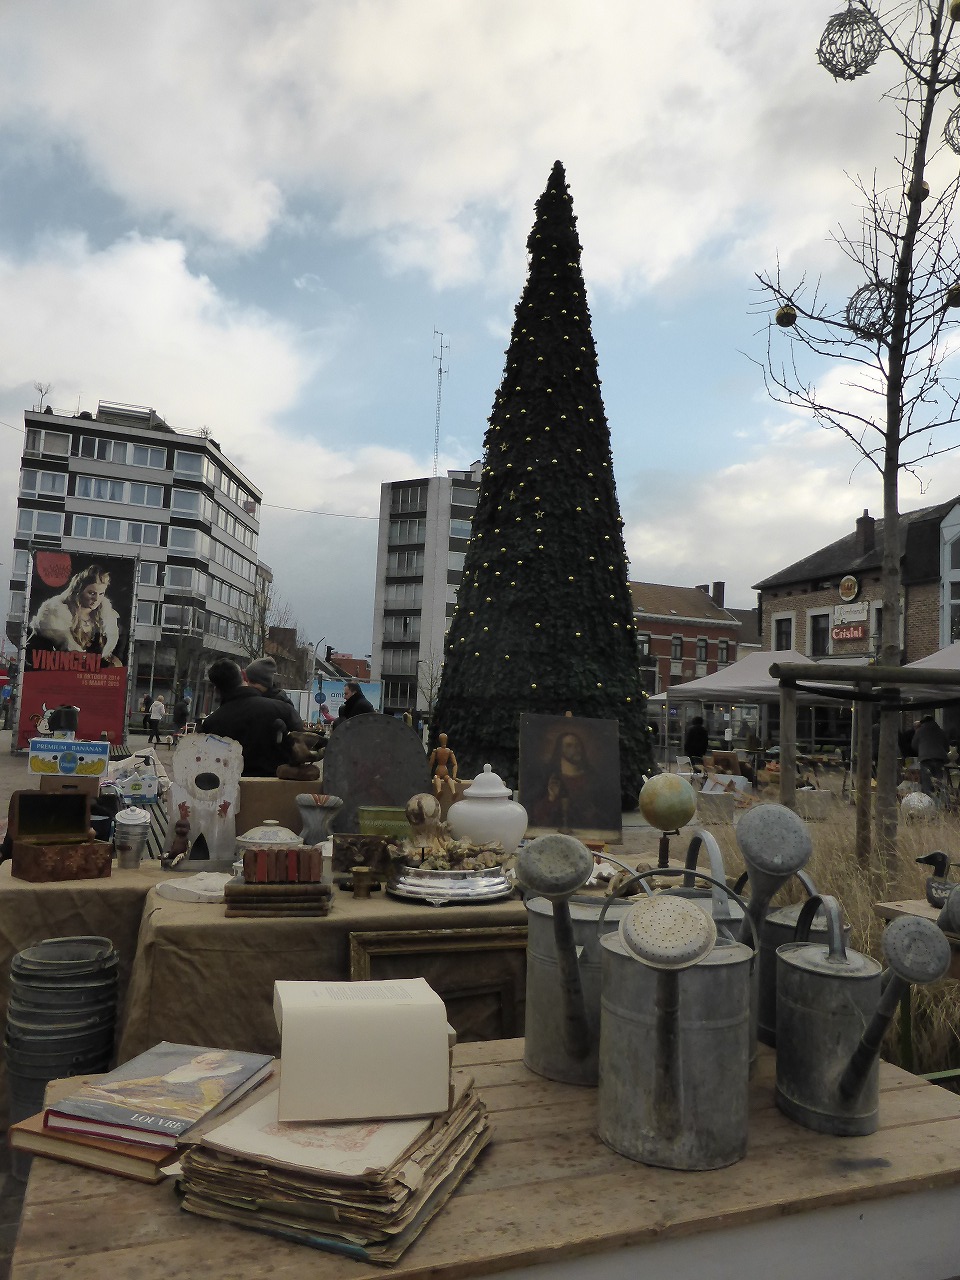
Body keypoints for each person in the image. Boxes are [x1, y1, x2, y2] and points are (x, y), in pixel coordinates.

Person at [201, 659, 292, 777]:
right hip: (275, 785)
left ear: (216, 689)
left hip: (232, 786)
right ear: (244, 676)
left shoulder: (210, 724)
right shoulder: (281, 709)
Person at [26, 564, 122, 666]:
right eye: (92, 593)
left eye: (101, 594)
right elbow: (31, 653)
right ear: (79, 590)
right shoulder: (53, 616)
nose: (96, 599)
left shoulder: (105, 618)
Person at [531, 730, 605, 830]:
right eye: (569, 746)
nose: (576, 749)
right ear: (560, 750)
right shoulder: (548, 776)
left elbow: (605, 812)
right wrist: (551, 798)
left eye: (578, 745)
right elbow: (535, 815)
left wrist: (592, 812)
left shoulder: (592, 776)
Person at [244, 656, 304, 731]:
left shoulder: (283, 705)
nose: (249, 685)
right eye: (248, 681)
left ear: (264, 682)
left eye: (253, 681)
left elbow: (297, 731)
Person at [912, 715, 950, 796]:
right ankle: (940, 800)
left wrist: (921, 750)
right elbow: (947, 746)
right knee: (939, 782)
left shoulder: (920, 731)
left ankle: (929, 800)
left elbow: (914, 745)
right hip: (939, 760)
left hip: (925, 759)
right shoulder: (940, 731)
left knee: (927, 783)